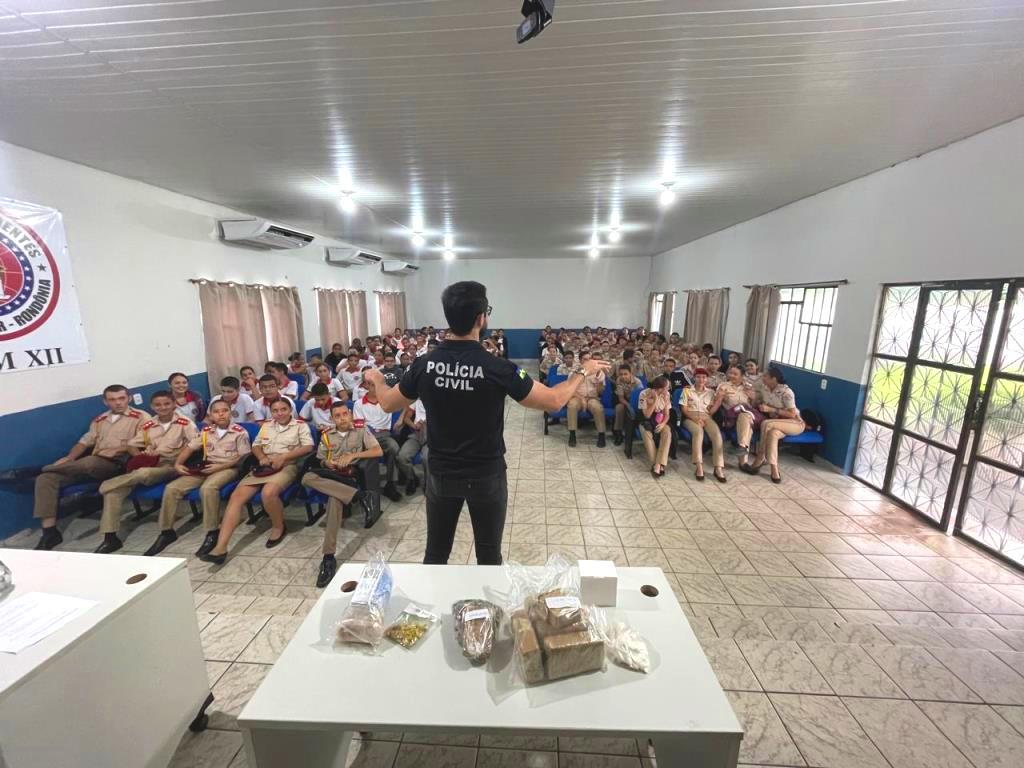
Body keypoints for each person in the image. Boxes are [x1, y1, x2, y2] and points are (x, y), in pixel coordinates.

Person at [362, 281, 609, 566]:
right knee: (489, 555)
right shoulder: (498, 368)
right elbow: (554, 401)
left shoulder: (424, 365)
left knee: (436, 553)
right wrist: (582, 371)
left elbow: (387, 403)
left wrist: (378, 379)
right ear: (481, 318)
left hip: (441, 473)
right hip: (486, 474)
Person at [31, 385, 149, 551]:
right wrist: (70, 458)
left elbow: (143, 443)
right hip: (89, 465)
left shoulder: (141, 417)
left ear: (129, 398)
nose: (118, 403)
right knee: (46, 479)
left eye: (122, 398)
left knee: (89, 462)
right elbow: (84, 442)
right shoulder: (100, 420)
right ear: (105, 402)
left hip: (118, 464)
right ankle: (49, 532)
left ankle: (40, 469)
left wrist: (119, 449)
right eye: (112, 399)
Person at [200, 399, 314, 563]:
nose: (279, 413)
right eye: (275, 410)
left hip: (287, 466)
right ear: (271, 412)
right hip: (264, 467)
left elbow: (308, 447)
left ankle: (278, 526)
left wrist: (284, 457)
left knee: (268, 493)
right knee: (236, 497)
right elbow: (256, 446)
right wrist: (261, 457)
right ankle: (221, 547)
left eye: (283, 409)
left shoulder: (300, 426)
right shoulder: (267, 425)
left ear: (290, 410)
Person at [145, 399, 252, 557]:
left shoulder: (239, 432)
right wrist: (178, 464)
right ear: (211, 415)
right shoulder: (206, 431)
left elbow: (243, 458)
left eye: (225, 411)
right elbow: (189, 448)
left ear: (231, 413)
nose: (221, 414)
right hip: (205, 466)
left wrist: (219, 467)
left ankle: (212, 531)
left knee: (208, 488)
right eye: (216, 412)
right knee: (172, 488)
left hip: (228, 468)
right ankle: (166, 531)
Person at [96, 391, 198, 553]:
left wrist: (174, 459)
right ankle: (110, 538)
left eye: (167, 404)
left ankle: (106, 485)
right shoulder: (149, 425)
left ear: (173, 404)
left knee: (142, 473)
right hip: (150, 465)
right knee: (113, 492)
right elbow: (131, 444)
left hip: (172, 465)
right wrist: (141, 455)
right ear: (152, 406)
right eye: (158, 405)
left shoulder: (185, 423)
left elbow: (194, 447)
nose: (162, 407)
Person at [301, 402, 384, 587]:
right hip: (331, 475)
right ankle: (359, 496)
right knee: (306, 477)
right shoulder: (326, 435)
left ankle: (328, 557)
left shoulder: (361, 430)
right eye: (337, 416)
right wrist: (327, 464)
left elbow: (377, 450)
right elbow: (321, 459)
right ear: (332, 419)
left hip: (349, 477)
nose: (342, 418)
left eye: (345, 414)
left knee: (334, 499)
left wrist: (353, 456)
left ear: (350, 414)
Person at [744, 366, 804, 483]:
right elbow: (757, 400)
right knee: (773, 434)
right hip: (777, 424)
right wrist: (752, 397)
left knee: (766, 424)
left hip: (795, 423)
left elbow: (792, 414)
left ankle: (760, 457)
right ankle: (774, 468)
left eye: (765, 376)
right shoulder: (765, 389)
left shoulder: (786, 392)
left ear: (774, 379)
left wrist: (771, 409)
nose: (763, 378)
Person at [354, 379, 403, 502]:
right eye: (371, 385)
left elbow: (407, 404)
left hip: (385, 435)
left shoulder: (387, 401)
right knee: (368, 455)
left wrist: (400, 419)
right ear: (366, 385)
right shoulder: (359, 403)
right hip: (367, 436)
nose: (375, 388)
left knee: (394, 448)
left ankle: (390, 485)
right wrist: (368, 433)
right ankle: (370, 490)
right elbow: (358, 425)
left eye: (377, 385)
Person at [713, 365, 762, 469]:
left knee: (745, 419)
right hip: (731, 417)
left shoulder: (748, 387)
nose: (732, 376)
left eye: (735, 374)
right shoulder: (723, 386)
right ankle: (743, 462)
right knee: (747, 424)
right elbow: (716, 402)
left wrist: (752, 397)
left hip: (747, 416)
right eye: (730, 373)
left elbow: (753, 406)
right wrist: (720, 397)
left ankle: (742, 452)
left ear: (742, 376)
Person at [681, 368, 726, 483]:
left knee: (717, 435)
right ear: (694, 378)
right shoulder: (686, 390)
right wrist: (695, 419)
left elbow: (711, 411)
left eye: (704, 377)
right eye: (698, 377)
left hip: (706, 416)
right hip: (690, 416)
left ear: (707, 379)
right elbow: (684, 409)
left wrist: (719, 400)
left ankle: (718, 467)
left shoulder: (710, 392)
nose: (701, 379)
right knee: (698, 432)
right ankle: (699, 465)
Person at [566, 351, 607, 448]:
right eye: (585, 359)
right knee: (572, 406)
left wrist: (599, 381)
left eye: (589, 359)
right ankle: (572, 434)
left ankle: (601, 435)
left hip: (592, 398)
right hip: (578, 397)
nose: (588, 361)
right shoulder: (574, 372)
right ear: (580, 361)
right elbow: (570, 390)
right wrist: (582, 399)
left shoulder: (599, 373)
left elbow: (600, 392)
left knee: (598, 408)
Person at [638, 376, 672, 478]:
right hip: (646, 421)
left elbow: (667, 414)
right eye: (667, 387)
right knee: (647, 434)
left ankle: (658, 464)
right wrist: (655, 399)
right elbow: (647, 415)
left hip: (660, 420)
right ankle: (655, 464)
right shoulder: (644, 394)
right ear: (660, 388)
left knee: (667, 432)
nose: (668, 389)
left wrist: (663, 424)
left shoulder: (667, 395)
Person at [396, 398, 427, 495]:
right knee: (402, 456)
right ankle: (411, 479)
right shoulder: (417, 401)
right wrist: (414, 425)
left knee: (426, 458)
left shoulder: (436, 401)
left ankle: (428, 483)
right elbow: (406, 418)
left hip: (431, 436)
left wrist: (425, 422)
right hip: (417, 434)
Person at [612, 363, 642, 446]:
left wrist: (632, 406)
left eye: (625, 374)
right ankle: (618, 433)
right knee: (619, 408)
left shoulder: (637, 382)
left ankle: (635, 431)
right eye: (621, 374)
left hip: (637, 402)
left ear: (630, 373)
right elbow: (621, 398)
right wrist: (629, 406)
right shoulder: (619, 380)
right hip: (626, 401)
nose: (623, 376)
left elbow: (641, 396)